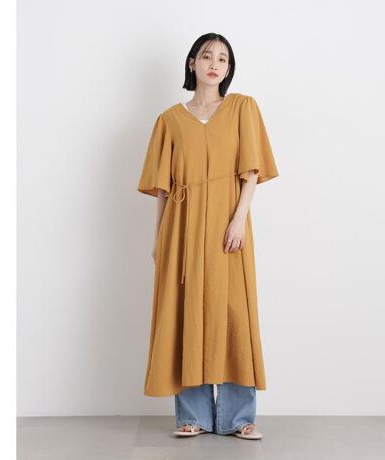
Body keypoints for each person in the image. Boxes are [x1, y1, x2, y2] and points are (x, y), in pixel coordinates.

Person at [137, 32, 279, 440]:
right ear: (192, 63)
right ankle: (193, 415)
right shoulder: (169, 120)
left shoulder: (242, 108)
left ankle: (239, 417)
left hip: (227, 224)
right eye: (206, 56)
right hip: (181, 227)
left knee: (233, 313)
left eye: (223, 58)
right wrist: (158, 238)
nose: (214, 63)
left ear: (228, 68)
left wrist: (239, 219)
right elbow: (163, 188)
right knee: (186, 312)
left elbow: (251, 172)